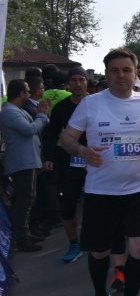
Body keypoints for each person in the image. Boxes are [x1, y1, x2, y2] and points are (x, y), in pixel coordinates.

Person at [60, 48, 140, 296]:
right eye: (114, 70)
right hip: (101, 192)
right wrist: (81, 149)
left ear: (135, 73)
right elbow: (66, 138)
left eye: (126, 70)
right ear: (106, 74)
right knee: (100, 252)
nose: (120, 75)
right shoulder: (91, 104)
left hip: (139, 190)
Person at [42, 67, 90, 262]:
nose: (78, 84)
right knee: (68, 205)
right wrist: (48, 158)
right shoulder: (61, 108)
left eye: (82, 80)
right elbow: (51, 134)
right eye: (74, 80)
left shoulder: (98, 104)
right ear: (68, 84)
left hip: (96, 161)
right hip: (69, 161)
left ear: (87, 82)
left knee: (99, 204)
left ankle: (101, 239)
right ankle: (74, 244)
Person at [1, 79, 51, 252]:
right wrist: (42, 115)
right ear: (21, 93)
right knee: (24, 201)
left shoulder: (16, 110)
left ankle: (25, 233)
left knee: (28, 199)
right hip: (21, 163)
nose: (29, 95)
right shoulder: (9, 112)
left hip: (27, 161)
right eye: (27, 91)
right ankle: (21, 238)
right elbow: (29, 129)